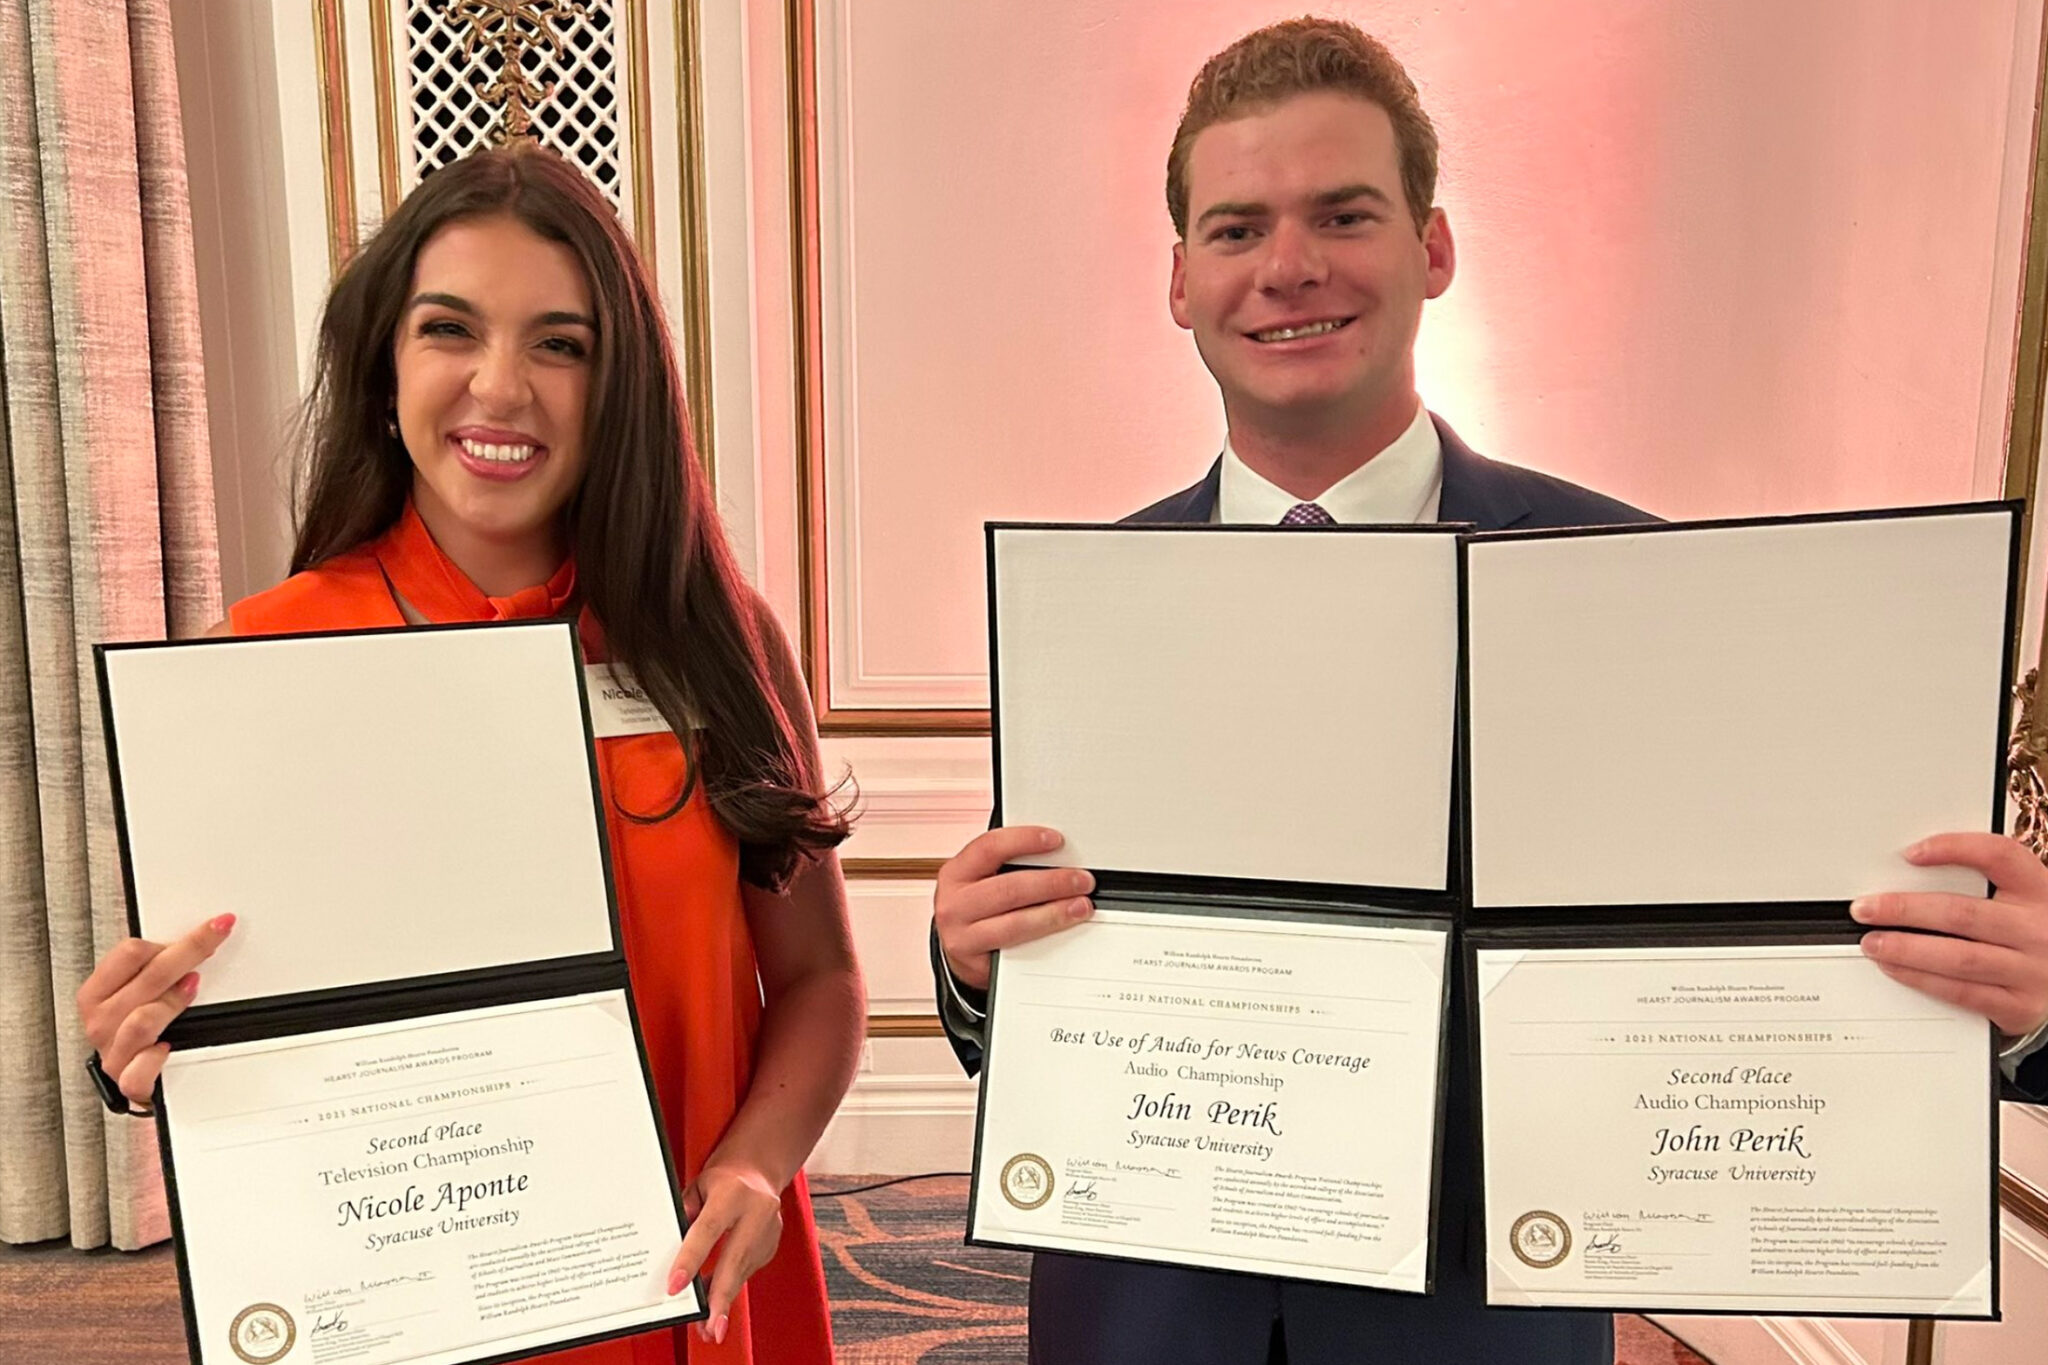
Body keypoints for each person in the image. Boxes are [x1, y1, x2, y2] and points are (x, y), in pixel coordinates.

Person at [929, 18, 2048, 1364]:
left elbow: (1781, 948)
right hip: (1144, 1314)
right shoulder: (1086, 606)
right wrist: (975, 967)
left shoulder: (1627, 585)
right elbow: (1056, 971)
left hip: (1473, 1324)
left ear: (1433, 247)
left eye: (1343, 214)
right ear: (1179, 279)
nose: (1288, 267)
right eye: (1236, 230)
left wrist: (2027, 1014)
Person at [74, 143, 865, 1365]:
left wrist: (757, 1167)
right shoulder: (264, 661)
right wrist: (135, 1052)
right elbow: (238, 1024)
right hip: (400, 1295)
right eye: (451, 330)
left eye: (561, 344)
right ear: (385, 365)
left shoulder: (718, 637)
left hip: (689, 1262)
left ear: (621, 390)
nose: (502, 387)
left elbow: (819, 980)